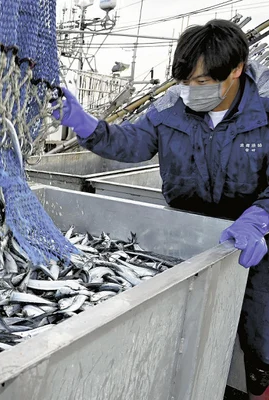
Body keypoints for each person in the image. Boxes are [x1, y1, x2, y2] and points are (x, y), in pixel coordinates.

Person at [56, 19, 269, 399]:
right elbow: (130, 144)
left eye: (202, 82)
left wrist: (260, 219)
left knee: (260, 340)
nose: (191, 91)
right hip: (186, 245)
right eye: (185, 81)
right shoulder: (170, 113)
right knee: (186, 334)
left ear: (235, 71)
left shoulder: (265, 118)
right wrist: (86, 126)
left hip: (255, 245)